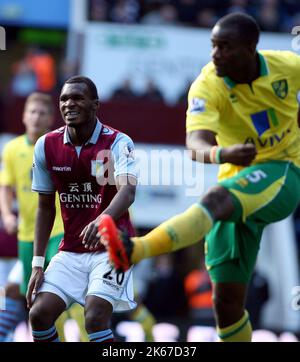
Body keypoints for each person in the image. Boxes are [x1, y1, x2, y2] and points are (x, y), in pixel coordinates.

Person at [98, 12, 300, 342]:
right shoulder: (208, 83)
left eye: (224, 47)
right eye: (213, 46)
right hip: (236, 184)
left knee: (213, 200)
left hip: (283, 174)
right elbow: (195, 144)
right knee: (228, 305)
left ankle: (134, 250)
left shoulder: (287, 67)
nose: (215, 54)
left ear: (250, 49)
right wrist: (222, 154)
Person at [26, 76, 138, 343]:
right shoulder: (46, 146)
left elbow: (128, 191)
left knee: (95, 317)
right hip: (72, 250)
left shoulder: (118, 142)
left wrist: (102, 219)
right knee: (39, 315)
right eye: (64, 99)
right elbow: (45, 207)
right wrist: (38, 263)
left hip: (114, 247)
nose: (69, 104)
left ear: (95, 105)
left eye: (78, 98)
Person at [0, 93, 86, 342]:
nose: (36, 117)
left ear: (51, 118)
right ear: (24, 115)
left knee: (62, 288)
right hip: (28, 235)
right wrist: (6, 214)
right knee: (36, 298)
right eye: (32, 112)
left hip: (60, 230)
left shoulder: (61, 144)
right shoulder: (12, 149)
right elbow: (6, 187)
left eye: (41, 113)